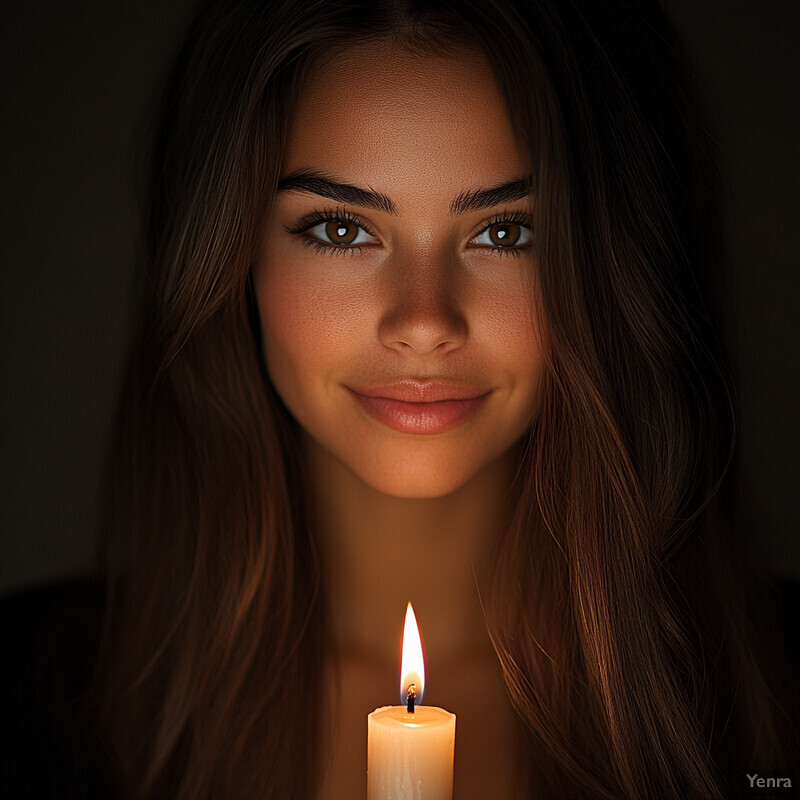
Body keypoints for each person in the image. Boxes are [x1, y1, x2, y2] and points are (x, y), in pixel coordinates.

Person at [80, 0, 795, 797]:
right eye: (340, 229)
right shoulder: (41, 710)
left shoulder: (778, 706)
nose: (424, 322)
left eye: (507, 233)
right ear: (231, 257)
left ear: (612, 268)